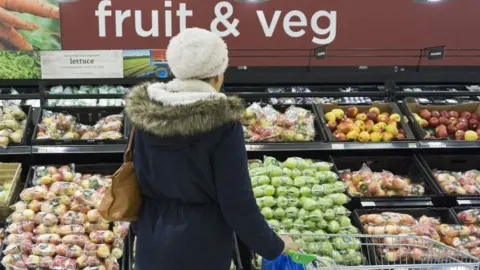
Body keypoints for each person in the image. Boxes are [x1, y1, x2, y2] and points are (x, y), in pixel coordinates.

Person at [125, 27, 297, 270]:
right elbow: (237, 202)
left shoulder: (145, 116)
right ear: (218, 74)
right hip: (203, 246)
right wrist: (274, 246)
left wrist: (143, 231)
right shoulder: (223, 123)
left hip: (152, 241)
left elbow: (138, 181)